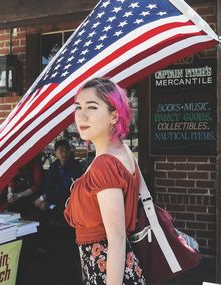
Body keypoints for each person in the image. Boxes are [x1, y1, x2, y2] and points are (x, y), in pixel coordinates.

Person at [64, 78, 146, 284]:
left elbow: (116, 240)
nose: (82, 116)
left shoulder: (105, 165)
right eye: (78, 107)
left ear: (114, 115)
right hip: (118, 269)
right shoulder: (123, 151)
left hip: (109, 273)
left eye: (92, 107)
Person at [34, 139, 84, 221]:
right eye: (61, 151)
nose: (64, 154)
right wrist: (44, 197)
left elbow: (65, 188)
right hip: (52, 198)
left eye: (66, 151)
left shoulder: (75, 167)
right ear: (55, 153)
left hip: (67, 200)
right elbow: (47, 183)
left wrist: (45, 198)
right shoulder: (54, 166)